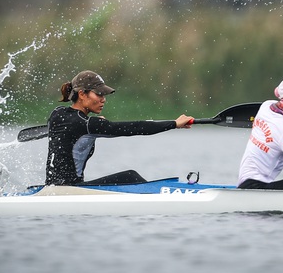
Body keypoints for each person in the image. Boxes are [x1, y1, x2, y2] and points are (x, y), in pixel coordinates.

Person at [45, 70, 194, 186]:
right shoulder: (88, 124)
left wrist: (95, 124)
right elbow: (135, 127)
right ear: (82, 94)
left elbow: (72, 127)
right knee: (130, 176)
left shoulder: (57, 113)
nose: (103, 99)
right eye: (99, 94)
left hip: (51, 188)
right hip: (70, 190)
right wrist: (174, 124)